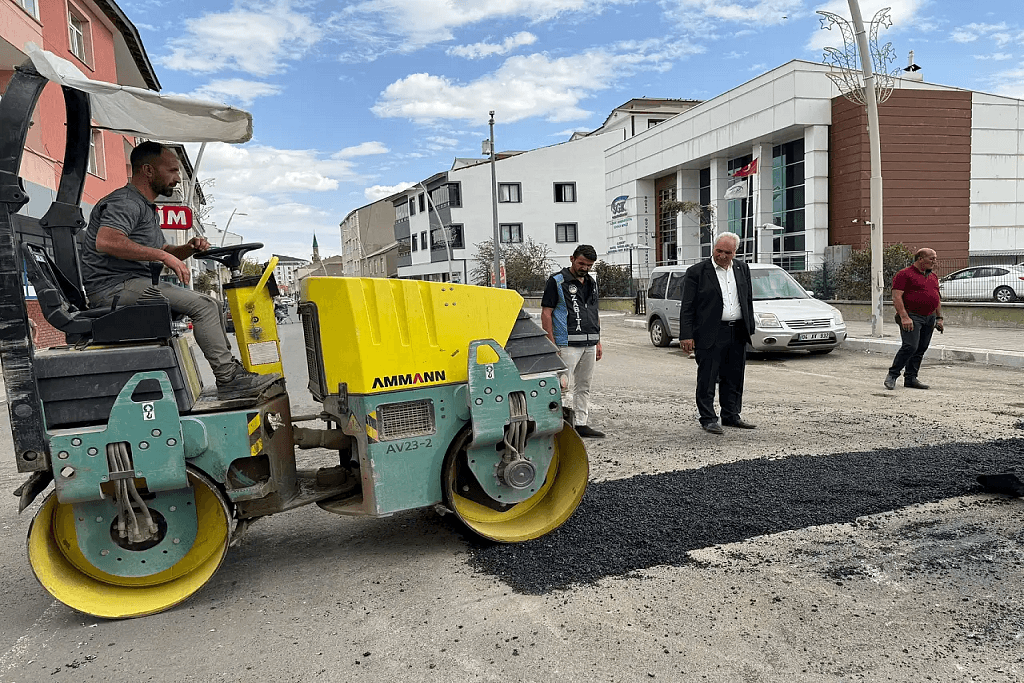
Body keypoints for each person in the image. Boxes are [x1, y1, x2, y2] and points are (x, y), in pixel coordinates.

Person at [80, 141, 280, 400]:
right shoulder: (126, 202)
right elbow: (107, 241)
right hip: (115, 289)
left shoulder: (145, 207)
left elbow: (160, 249)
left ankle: (231, 371)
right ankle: (229, 378)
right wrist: (163, 255)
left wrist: (188, 248)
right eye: (172, 171)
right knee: (204, 306)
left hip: (131, 285)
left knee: (211, 303)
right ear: (148, 171)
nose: (177, 178)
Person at [679, 232, 756, 435]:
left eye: (727, 252)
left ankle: (731, 415)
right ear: (713, 248)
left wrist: (750, 327)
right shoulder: (697, 272)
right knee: (708, 377)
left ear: (735, 252)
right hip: (710, 332)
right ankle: (708, 418)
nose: (721, 255)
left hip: (737, 330)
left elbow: (747, 299)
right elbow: (687, 306)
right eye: (718, 250)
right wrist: (686, 334)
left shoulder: (742, 268)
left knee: (734, 376)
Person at [541, 244, 604, 438]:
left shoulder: (591, 282)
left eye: (589, 265)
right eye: (581, 263)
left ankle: (581, 424)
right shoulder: (557, 281)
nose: (585, 268)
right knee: (561, 387)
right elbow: (546, 313)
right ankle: (555, 426)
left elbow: (593, 312)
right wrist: (551, 343)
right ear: (572, 259)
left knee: (584, 385)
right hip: (565, 343)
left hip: (589, 343)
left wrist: (598, 341)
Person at [884, 248, 944, 390]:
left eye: (935, 258)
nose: (934, 261)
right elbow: (896, 297)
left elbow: (936, 298)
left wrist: (939, 318)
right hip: (912, 316)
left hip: (929, 317)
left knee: (921, 348)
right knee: (910, 346)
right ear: (920, 259)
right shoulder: (904, 274)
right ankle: (892, 375)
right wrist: (904, 317)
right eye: (931, 258)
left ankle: (911, 378)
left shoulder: (933, 276)